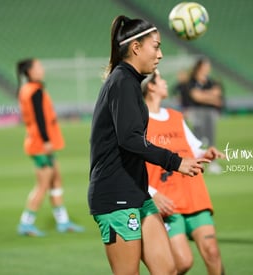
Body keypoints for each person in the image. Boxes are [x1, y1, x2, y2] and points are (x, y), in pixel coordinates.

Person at [88, 15, 210, 275]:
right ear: (136, 48)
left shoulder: (129, 81)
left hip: (137, 192)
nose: (161, 54)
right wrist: (176, 161)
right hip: (115, 195)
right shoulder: (122, 82)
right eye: (156, 46)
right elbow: (130, 139)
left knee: (168, 269)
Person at [142, 69, 226, 275]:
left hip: (194, 194)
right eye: (160, 79)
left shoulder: (175, 116)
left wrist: (207, 153)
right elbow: (128, 166)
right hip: (168, 203)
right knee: (182, 263)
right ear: (150, 86)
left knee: (212, 253)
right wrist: (152, 194)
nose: (165, 82)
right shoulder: (139, 121)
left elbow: (192, 148)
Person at [16, 58, 84, 237]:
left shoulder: (26, 89)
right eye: (38, 66)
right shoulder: (35, 91)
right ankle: (26, 223)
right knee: (42, 185)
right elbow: (40, 119)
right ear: (30, 72)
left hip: (38, 142)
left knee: (56, 181)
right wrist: (46, 141)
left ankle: (63, 221)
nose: (42, 69)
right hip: (40, 144)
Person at [184, 57, 224, 174]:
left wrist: (204, 96)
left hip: (209, 113)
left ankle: (213, 163)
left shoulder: (211, 81)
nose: (208, 69)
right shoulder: (192, 81)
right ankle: (197, 161)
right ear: (199, 67)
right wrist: (210, 97)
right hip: (196, 112)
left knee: (211, 137)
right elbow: (196, 96)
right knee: (197, 138)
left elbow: (217, 94)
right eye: (205, 66)